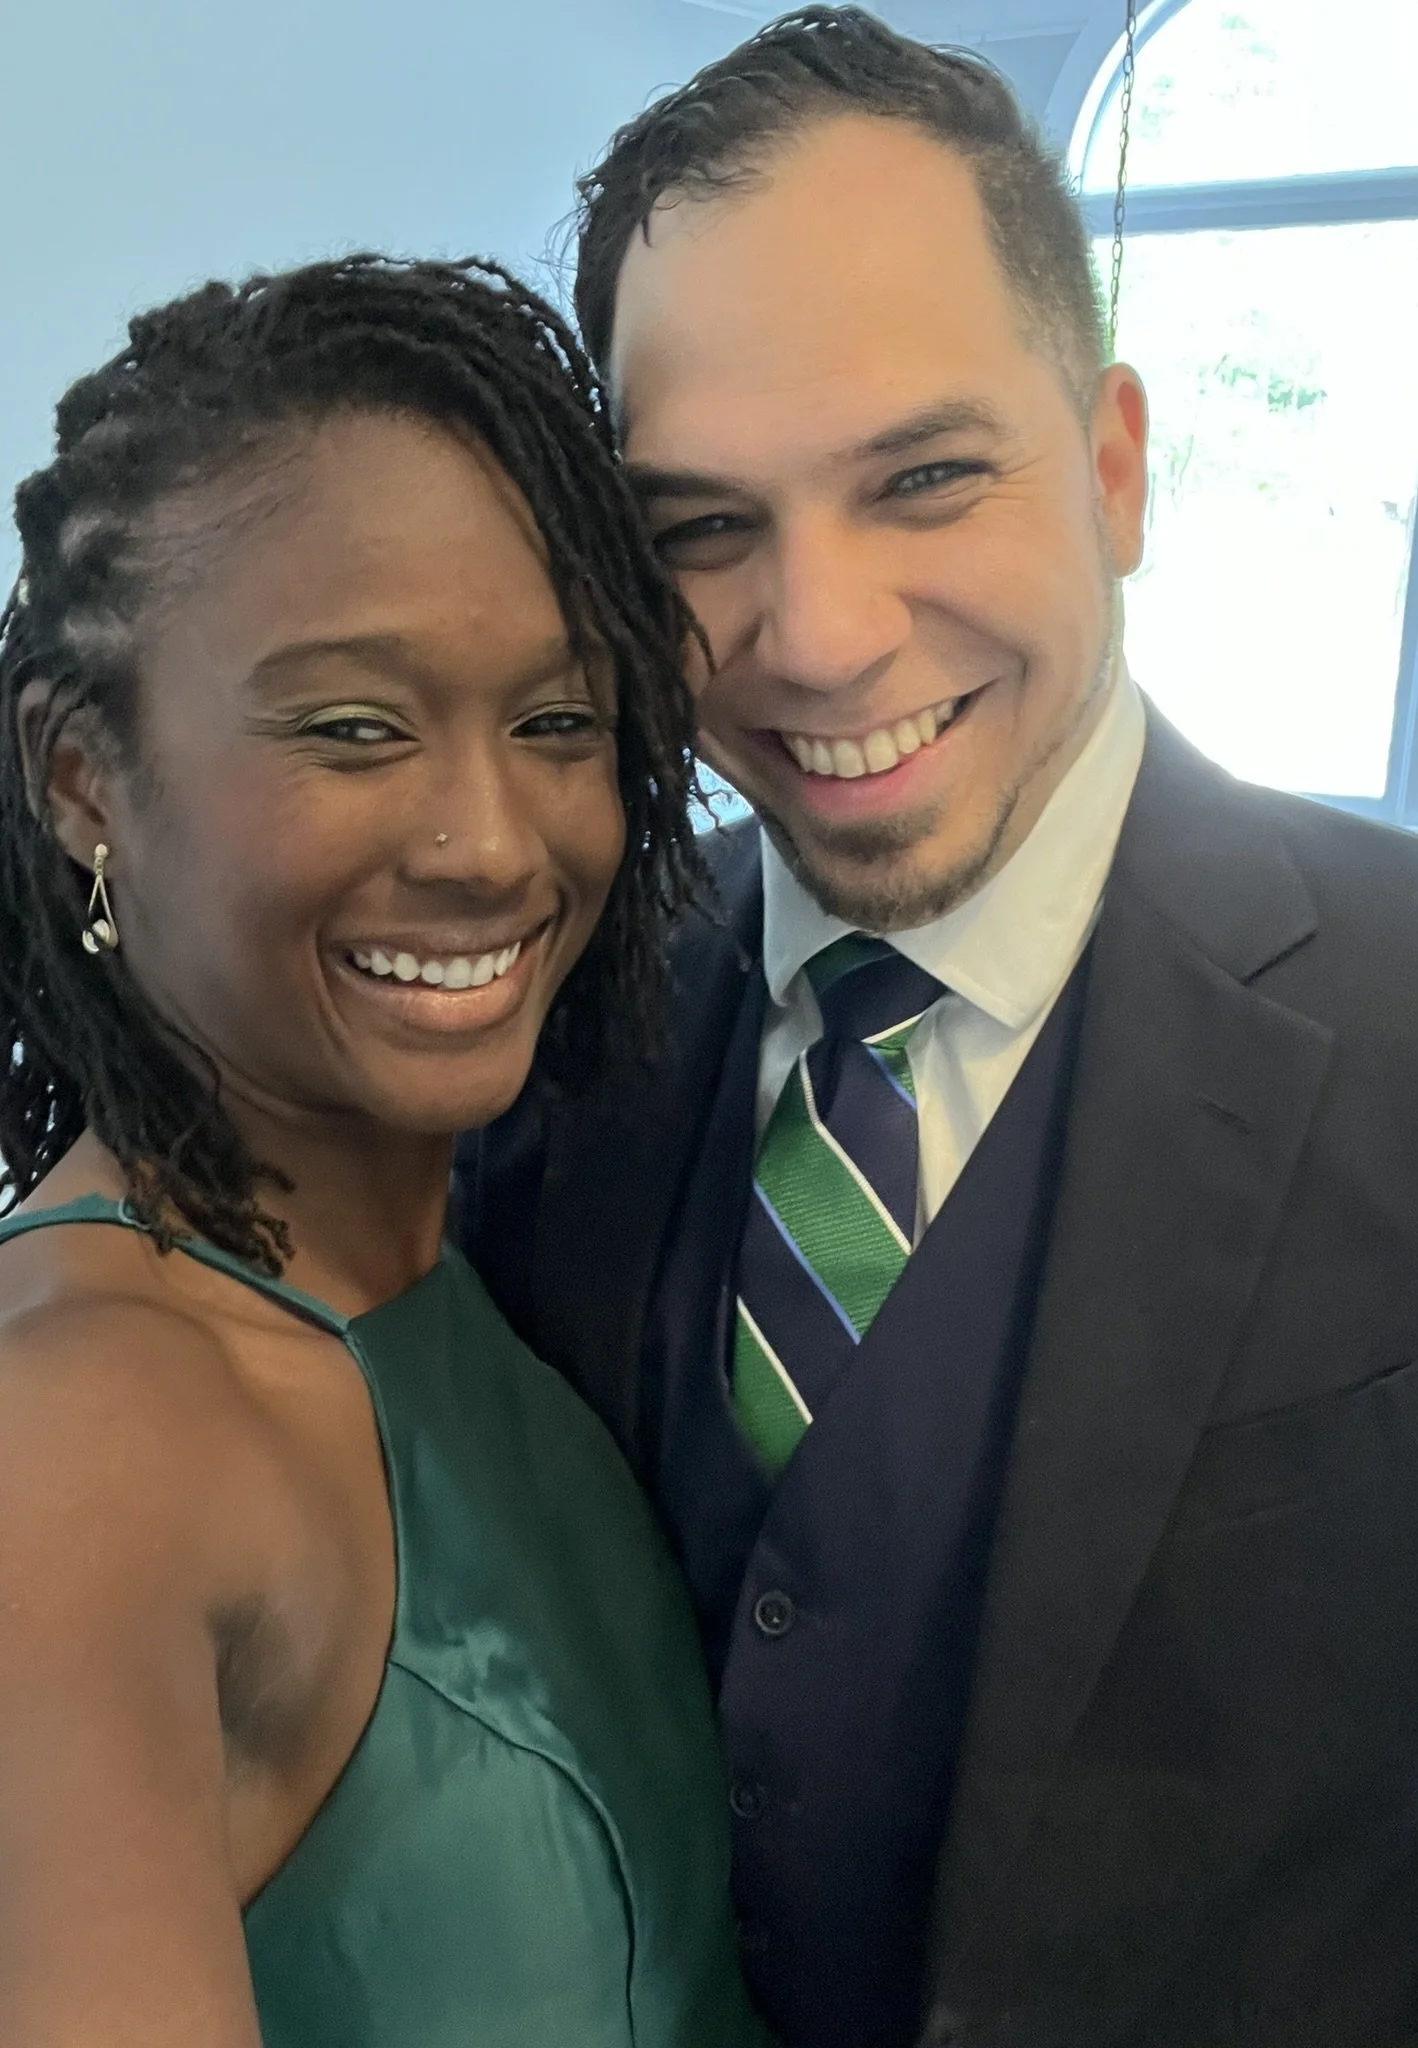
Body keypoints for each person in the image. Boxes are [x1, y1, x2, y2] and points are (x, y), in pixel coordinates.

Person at [456, 10, 1418, 2047]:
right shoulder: (557, 1008)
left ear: (1115, 467)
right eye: (701, 527)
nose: (821, 633)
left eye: (927, 477)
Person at [0, 254, 769, 2048]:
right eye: (354, 728)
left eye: (559, 722)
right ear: (81, 779)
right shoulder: (83, 1442)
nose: (493, 845)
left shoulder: (446, 1259)